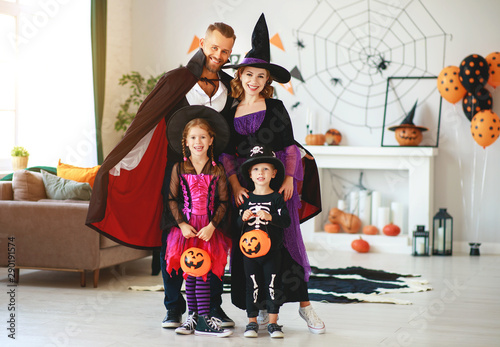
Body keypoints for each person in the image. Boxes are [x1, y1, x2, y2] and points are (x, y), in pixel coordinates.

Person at [86, 22, 236, 328]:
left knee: (215, 239)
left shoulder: (230, 85)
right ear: (202, 43)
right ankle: (173, 308)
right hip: (175, 174)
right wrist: (119, 159)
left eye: (226, 50)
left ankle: (214, 308)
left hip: (214, 175)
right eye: (214, 47)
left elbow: (240, 128)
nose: (219, 55)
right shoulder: (177, 79)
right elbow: (146, 120)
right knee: (175, 239)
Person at [220, 14, 325, 334]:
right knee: (252, 247)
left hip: (276, 186)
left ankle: (306, 307)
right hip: (246, 190)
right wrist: (236, 182)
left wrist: (291, 179)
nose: (254, 80)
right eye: (248, 74)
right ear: (240, 76)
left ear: (268, 80)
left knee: (284, 246)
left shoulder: (276, 109)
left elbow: (290, 148)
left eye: (261, 76)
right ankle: (261, 307)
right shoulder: (229, 110)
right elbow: (226, 154)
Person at [164, 106, 232, 337]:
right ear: (186, 141)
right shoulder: (179, 167)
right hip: (187, 227)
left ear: (211, 140)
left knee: (203, 270)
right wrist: (182, 224)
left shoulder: (217, 169)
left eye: (203, 136)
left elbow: (224, 201)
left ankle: (203, 317)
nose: (198, 141)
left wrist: (213, 226)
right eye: (193, 137)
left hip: (208, 228)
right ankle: (193, 318)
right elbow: (172, 198)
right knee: (190, 272)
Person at [237, 145, 291, 338]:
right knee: (252, 284)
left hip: (272, 251)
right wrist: (242, 217)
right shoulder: (246, 198)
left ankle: (274, 323)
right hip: (249, 251)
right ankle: (251, 322)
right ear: (250, 175)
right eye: (256, 169)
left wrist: (270, 217)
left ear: (274, 173)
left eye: (266, 168)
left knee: (272, 284)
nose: (261, 173)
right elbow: (236, 226)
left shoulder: (276, 198)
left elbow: (286, 221)